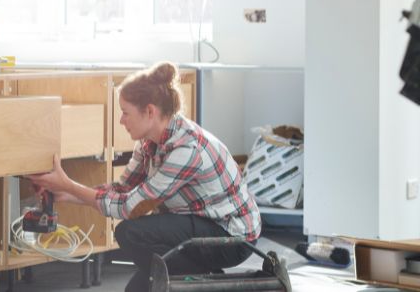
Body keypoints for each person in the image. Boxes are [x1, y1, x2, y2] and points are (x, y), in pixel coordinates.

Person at [28, 62, 261, 292]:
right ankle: (199, 281)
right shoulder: (149, 141)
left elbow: (130, 207)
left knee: (130, 233)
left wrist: (68, 183)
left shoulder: (186, 150)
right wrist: (67, 194)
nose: (121, 120)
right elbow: (121, 189)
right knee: (139, 289)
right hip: (201, 222)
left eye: (125, 113)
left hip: (232, 237)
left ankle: (205, 284)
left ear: (150, 111)